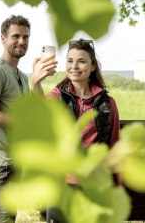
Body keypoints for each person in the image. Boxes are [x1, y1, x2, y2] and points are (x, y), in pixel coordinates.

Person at [0, 15, 57, 223]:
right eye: (16, 36)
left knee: (9, 215)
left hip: (14, 157)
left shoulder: (21, 76)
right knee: (4, 217)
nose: (22, 41)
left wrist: (37, 81)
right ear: (3, 38)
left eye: (26, 37)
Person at [43, 39, 121, 223]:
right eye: (70, 61)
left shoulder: (107, 104)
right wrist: (36, 83)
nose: (74, 66)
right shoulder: (56, 97)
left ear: (93, 66)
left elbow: (115, 147)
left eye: (82, 61)